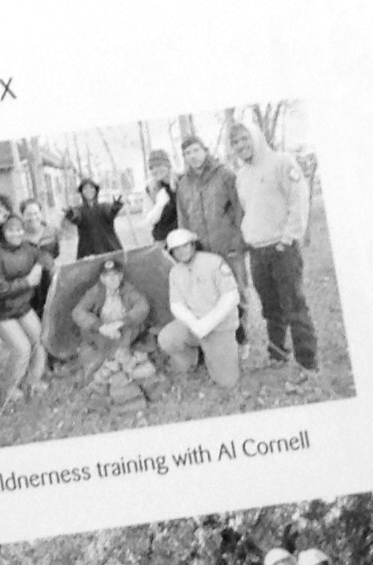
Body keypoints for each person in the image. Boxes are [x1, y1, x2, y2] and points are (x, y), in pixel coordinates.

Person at [230, 121, 316, 382]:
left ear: (256, 137)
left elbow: (298, 199)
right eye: (235, 142)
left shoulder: (281, 162)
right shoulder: (241, 176)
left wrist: (288, 238)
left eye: (245, 138)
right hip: (257, 253)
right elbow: (250, 211)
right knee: (270, 307)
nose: (241, 145)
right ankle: (278, 354)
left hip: (282, 248)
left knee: (294, 306)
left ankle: (307, 363)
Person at [174, 133, 248, 345]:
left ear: (205, 150)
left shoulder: (224, 175)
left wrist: (239, 241)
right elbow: (183, 219)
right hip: (202, 251)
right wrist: (187, 250)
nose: (193, 156)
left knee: (236, 292)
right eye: (187, 153)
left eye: (196, 150)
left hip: (228, 247)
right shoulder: (183, 184)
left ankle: (242, 339)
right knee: (210, 295)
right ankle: (220, 338)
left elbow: (240, 209)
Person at [157, 225, 242, 391]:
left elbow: (231, 296)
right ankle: (193, 360)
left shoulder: (214, 262)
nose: (182, 252)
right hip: (195, 325)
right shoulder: (175, 272)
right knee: (167, 338)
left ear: (193, 245)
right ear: (171, 253)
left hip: (219, 326)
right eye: (176, 249)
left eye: (185, 246)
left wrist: (207, 324)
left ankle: (220, 352)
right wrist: (194, 323)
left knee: (228, 381)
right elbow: (176, 304)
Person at [0, 203, 48, 409]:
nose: (16, 233)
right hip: (0, 310)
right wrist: (27, 282)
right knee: (22, 348)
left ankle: (33, 380)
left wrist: (39, 265)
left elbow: (44, 256)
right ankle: (8, 388)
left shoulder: (27, 247)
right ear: (3, 231)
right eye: (11, 230)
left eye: (19, 229)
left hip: (21, 305)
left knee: (40, 339)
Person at [71, 255, 152, 363]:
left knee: (134, 327)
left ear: (121, 276)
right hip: (104, 330)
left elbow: (142, 306)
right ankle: (111, 356)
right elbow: (78, 312)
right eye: (107, 276)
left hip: (123, 328)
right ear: (102, 279)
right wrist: (100, 327)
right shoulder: (95, 292)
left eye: (115, 274)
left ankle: (122, 352)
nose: (112, 279)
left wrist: (120, 323)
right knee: (88, 331)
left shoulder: (128, 290)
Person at [64, 177, 125, 258]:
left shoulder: (104, 207)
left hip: (109, 248)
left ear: (96, 190)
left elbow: (110, 214)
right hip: (88, 253)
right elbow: (77, 219)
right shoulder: (79, 210)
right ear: (82, 192)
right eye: (85, 189)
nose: (88, 191)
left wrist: (115, 208)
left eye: (91, 188)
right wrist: (71, 215)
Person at [144, 148, 180, 248]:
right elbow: (149, 221)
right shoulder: (151, 189)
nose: (155, 170)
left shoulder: (180, 182)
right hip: (162, 240)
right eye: (152, 168)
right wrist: (160, 204)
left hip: (182, 238)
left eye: (159, 165)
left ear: (168, 165)